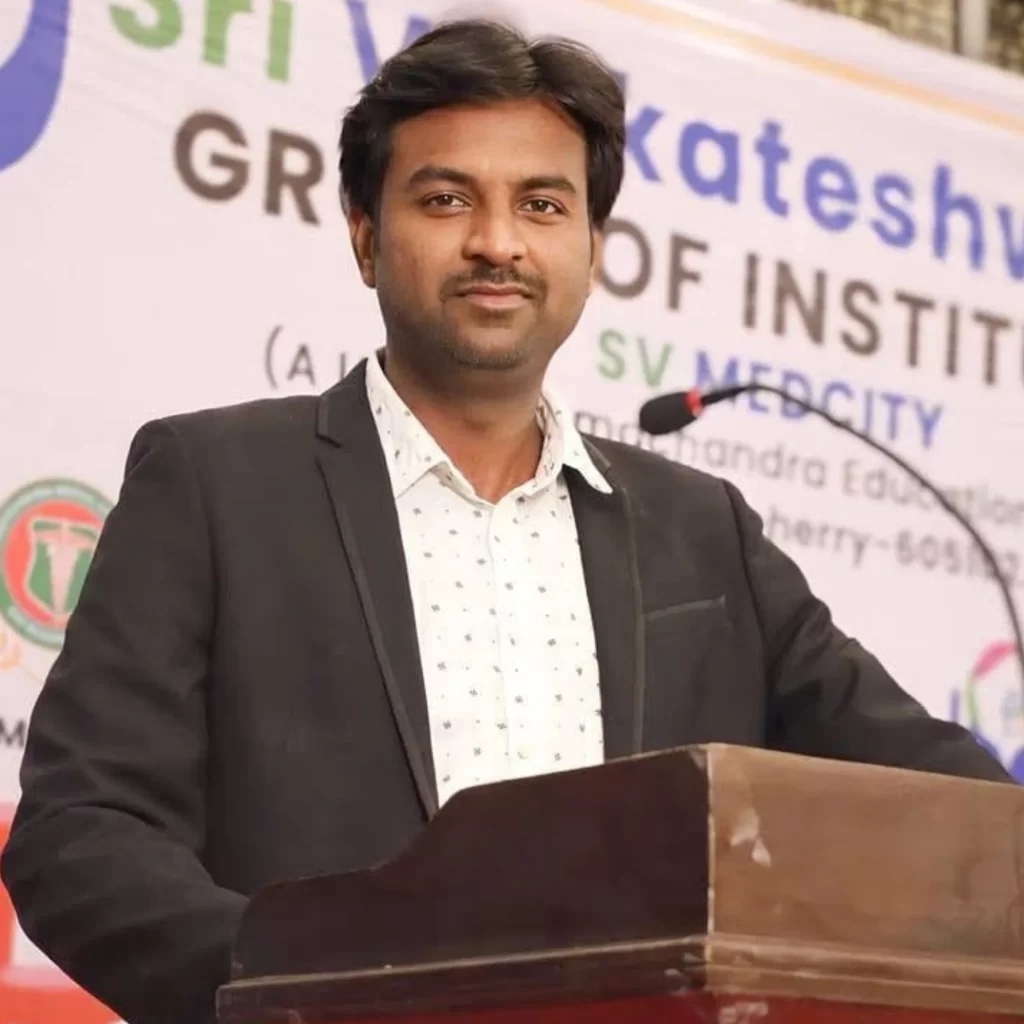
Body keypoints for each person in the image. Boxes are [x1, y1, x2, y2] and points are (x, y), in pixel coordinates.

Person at [1, 18, 1011, 1024]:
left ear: (592, 249)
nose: (497, 242)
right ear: (364, 236)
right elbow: (80, 831)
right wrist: (303, 991)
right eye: (446, 199)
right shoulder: (215, 485)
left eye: (542, 204)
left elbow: (950, 804)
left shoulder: (704, 534)